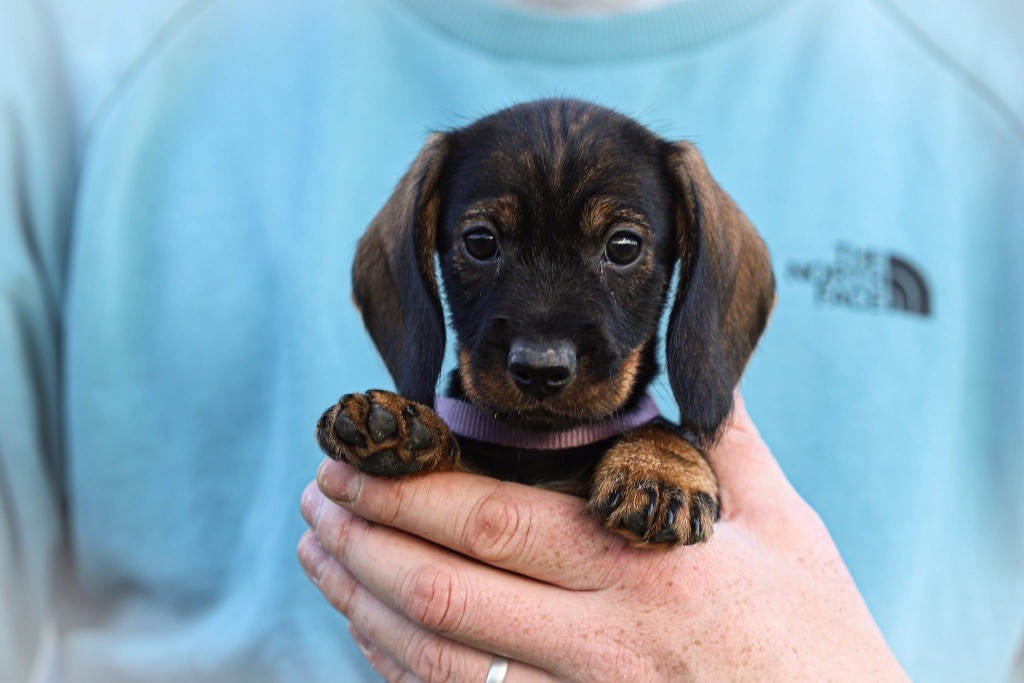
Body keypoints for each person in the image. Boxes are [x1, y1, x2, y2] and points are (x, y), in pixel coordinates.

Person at [1, 0, 1020, 681]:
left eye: (621, 248)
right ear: (425, 255)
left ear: (689, 272)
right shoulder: (68, 54)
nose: (538, 348)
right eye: (482, 243)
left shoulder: (989, 90)